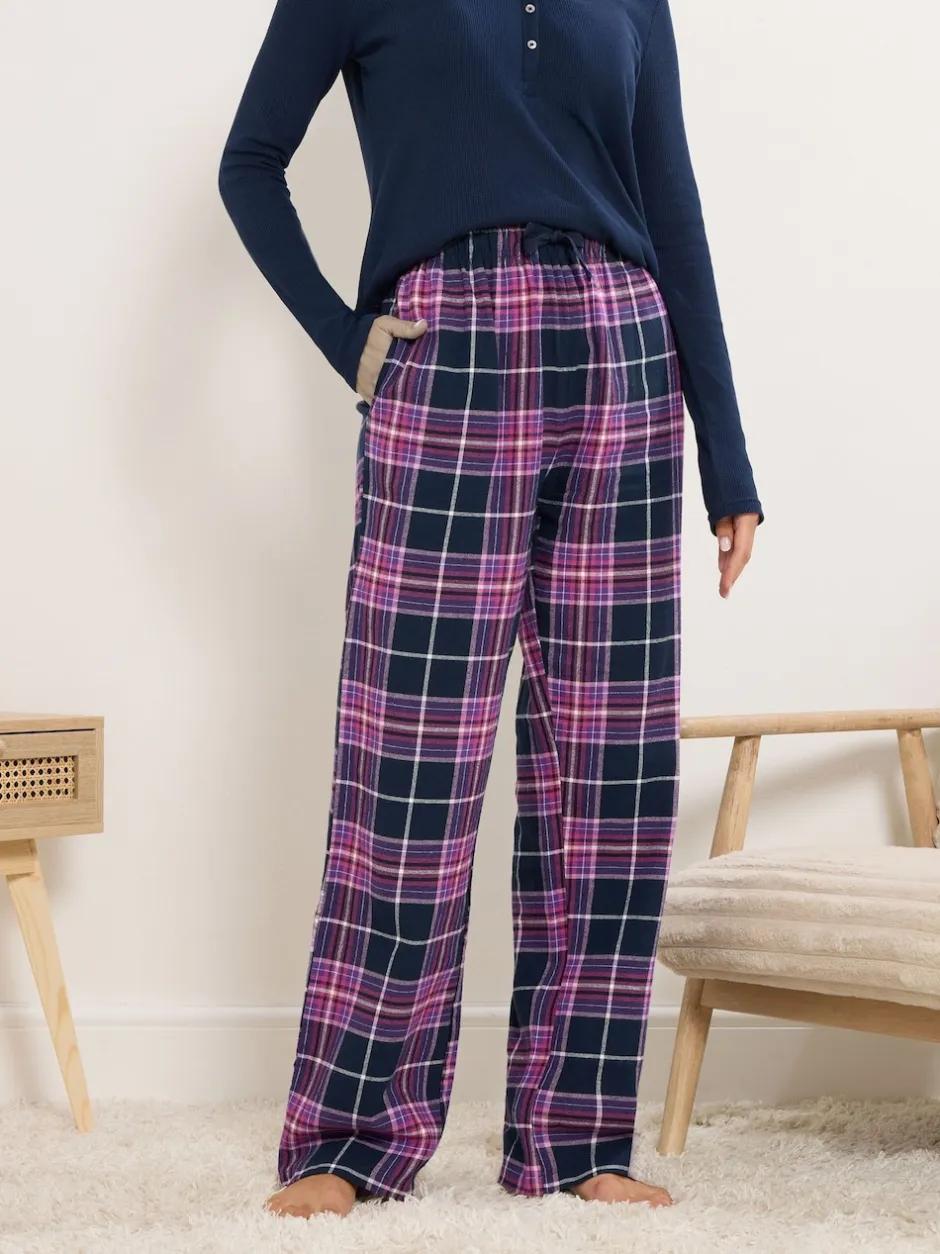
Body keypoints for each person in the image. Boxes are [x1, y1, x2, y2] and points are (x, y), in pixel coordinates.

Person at [218, 0, 763, 1220]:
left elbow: (672, 207)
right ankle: (350, 1135)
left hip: (623, 361)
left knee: (608, 771)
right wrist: (349, 341)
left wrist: (725, 458)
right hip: (445, 357)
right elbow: (248, 163)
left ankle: (575, 1137)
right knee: (410, 766)